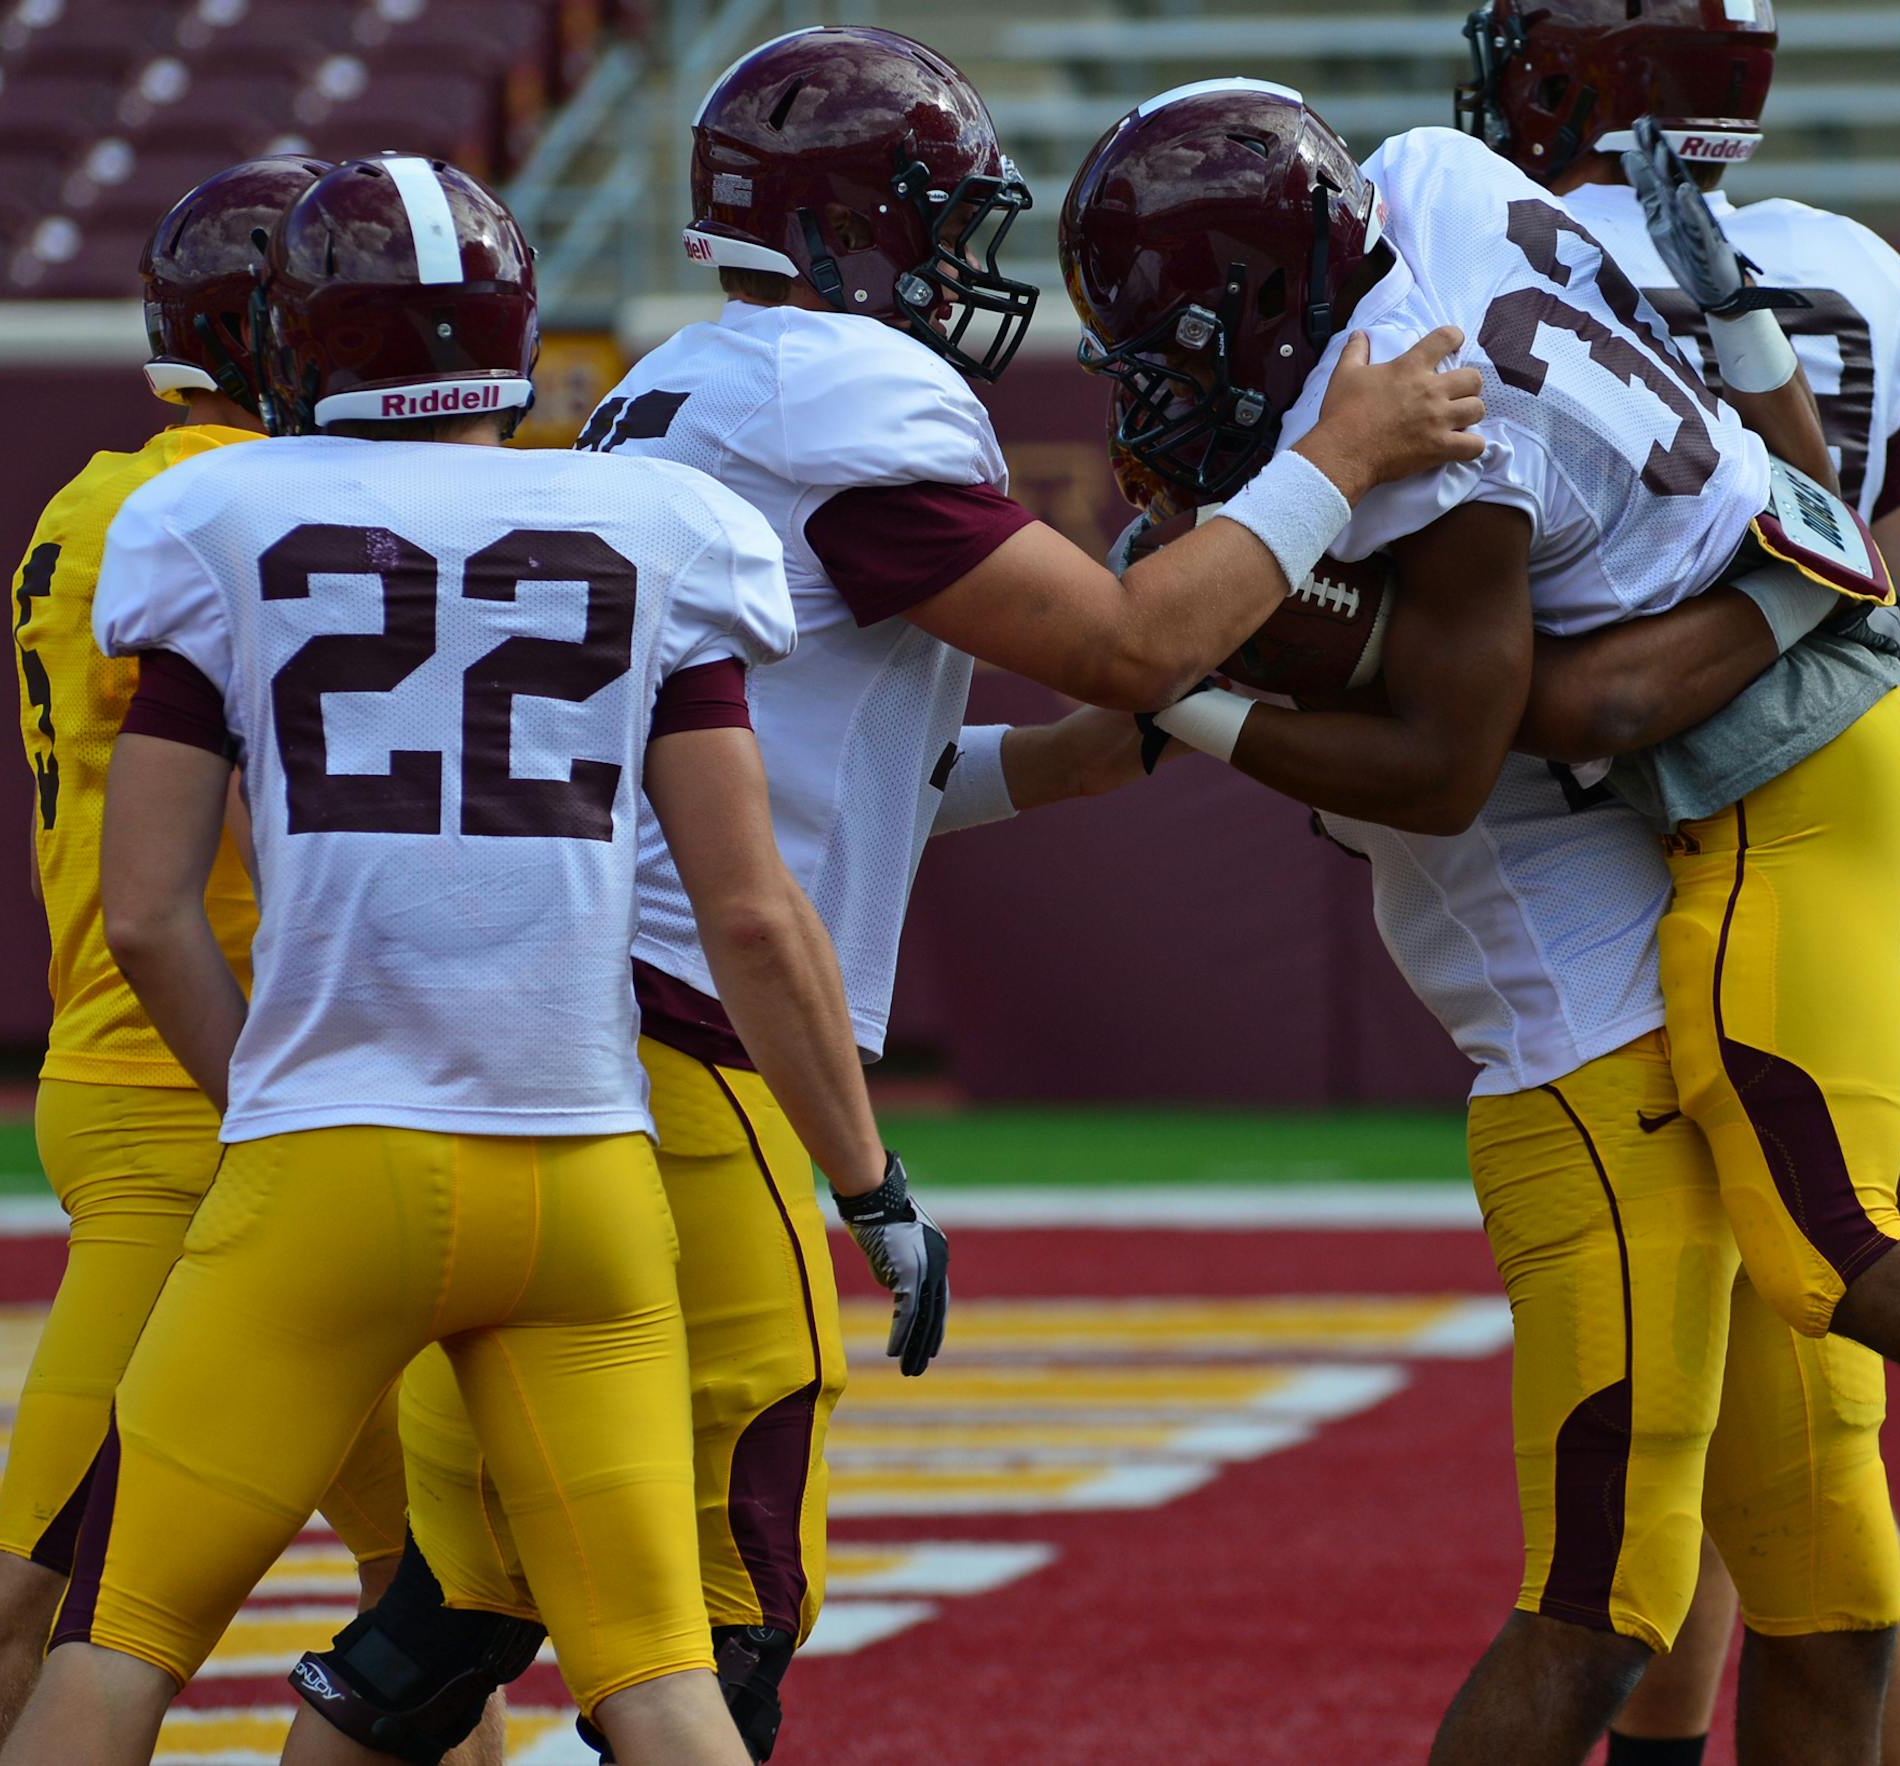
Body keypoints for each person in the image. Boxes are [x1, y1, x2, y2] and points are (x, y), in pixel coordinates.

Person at [286, 28, 1489, 1766]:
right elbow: (1137, 639)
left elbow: (889, 773)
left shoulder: (676, 390)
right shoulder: (839, 393)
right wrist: (1344, 459)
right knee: (726, 1603)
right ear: (860, 228)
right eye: (941, 223)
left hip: (548, 1020)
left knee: (459, 1607)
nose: (962, 268)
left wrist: (1177, 724)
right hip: (697, 1052)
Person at [1061, 79, 1900, 1763]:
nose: (1170, 407)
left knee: (1755, 1387)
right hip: (1699, 860)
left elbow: (1457, 743)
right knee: (1809, 1567)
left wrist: (1226, 647)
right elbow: (1118, 709)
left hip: (1671, 899)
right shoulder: (1421, 183)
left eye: (1190, 355)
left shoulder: (1426, 466)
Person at [0, 150, 901, 1766]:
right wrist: (872, 1188)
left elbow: (144, 910)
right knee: (659, 1678)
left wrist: (273, 1094)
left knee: (118, 1645)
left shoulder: (215, 511)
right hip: (582, 1180)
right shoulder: (656, 523)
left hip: (330, 1163)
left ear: (297, 340)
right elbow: (755, 912)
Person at [1450, 4, 1900, 1754]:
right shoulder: (1846, 271)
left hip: (1624, 863)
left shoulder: (1465, 248)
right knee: (1808, 1493)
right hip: (1795, 806)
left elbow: (1488, 700)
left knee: (1718, 1461)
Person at [0, 154, 446, 1766]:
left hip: (187, 1075)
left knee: (428, 1609)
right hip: (207, 1083)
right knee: (36, 1586)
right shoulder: (227, 507)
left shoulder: (106, 496)